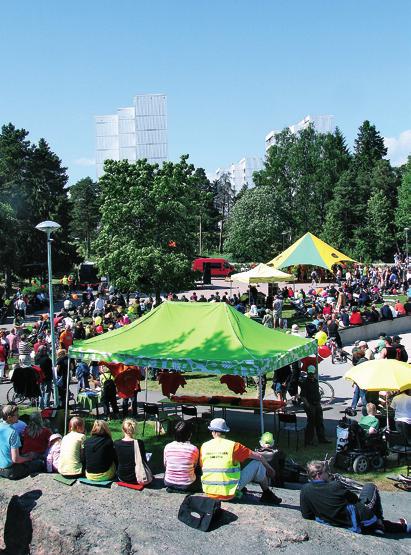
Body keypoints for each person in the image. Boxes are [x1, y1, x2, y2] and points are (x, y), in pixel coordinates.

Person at [300, 460, 410, 534]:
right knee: (370, 486)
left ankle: (392, 525)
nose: (329, 474)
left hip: (337, 519)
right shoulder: (334, 486)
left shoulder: (305, 490)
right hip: (356, 519)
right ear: (319, 474)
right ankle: (379, 522)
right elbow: (355, 499)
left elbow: (306, 515)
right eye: (326, 472)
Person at [200, 418, 282, 504]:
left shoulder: (204, 446)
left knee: (232, 463)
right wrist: (269, 469)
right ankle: (267, 494)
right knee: (257, 463)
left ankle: (242, 488)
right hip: (227, 494)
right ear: (226, 431)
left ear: (213, 432)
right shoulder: (234, 446)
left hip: (209, 492)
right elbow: (259, 457)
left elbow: (204, 466)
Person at [0, 404, 44, 479]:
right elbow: (16, 459)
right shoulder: (12, 432)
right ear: (9, 417)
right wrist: (29, 458)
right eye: (16, 415)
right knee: (40, 463)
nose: (19, 416)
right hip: (10, 470)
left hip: (1, 468)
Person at [163, 420, 199, 492]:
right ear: (190, 434)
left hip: (168, 482)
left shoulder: (168, 447)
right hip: (187, 484)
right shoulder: (193, 449)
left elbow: (165, 464)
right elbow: (194, 466)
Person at [114, 418, 152, 485]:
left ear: (123, 430)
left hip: (122, 476)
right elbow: (144, 460)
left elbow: (116, 460)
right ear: (134, 430)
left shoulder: (116, 443)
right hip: (138, 477)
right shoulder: (139, 443)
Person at [299, 366, 331, 446]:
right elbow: (303, 396)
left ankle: (322, 438)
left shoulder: (315, 381)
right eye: (310, 373)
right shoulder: (305, 383)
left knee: (320, 422)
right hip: (310, 405)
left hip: (317, 404)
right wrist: (308, 406)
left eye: (312, 373)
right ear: (308, 373)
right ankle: (309, 441)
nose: (311, 375)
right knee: (311, 423)